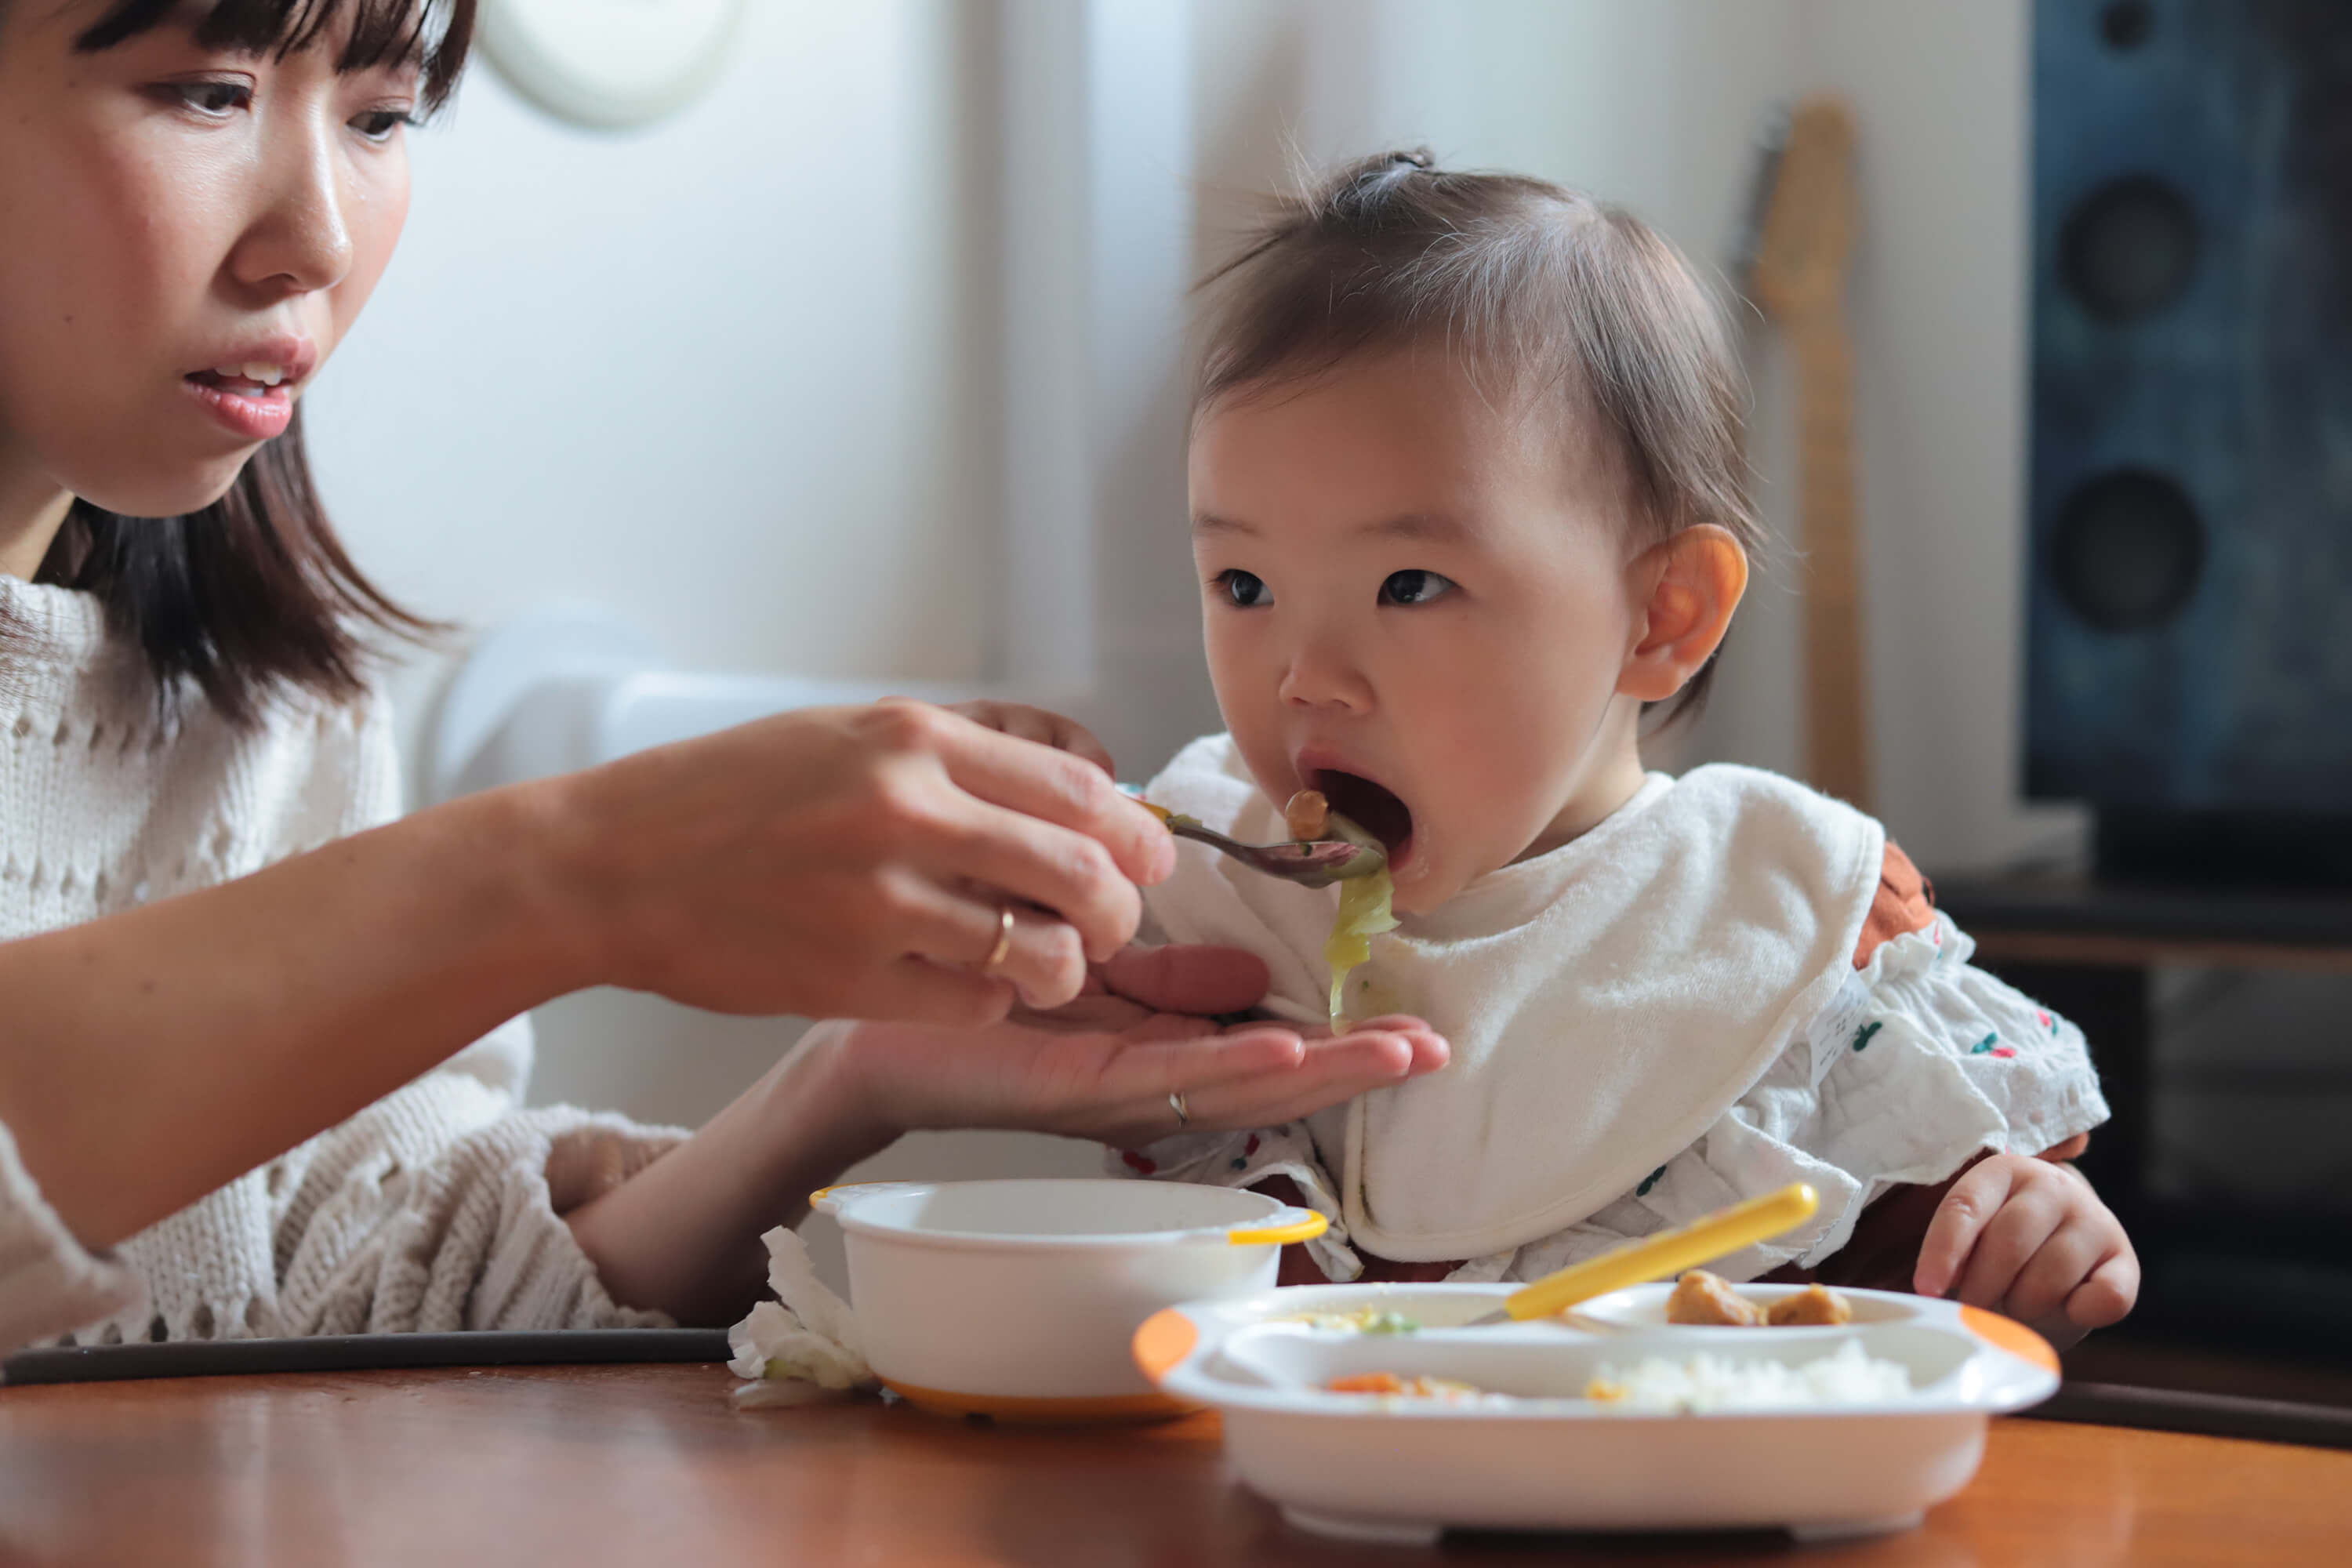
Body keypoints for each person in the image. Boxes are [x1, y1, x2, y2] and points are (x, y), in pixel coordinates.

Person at [0, 2, 1448, 1353]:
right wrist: (574, 875)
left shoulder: (270, 717)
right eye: (207, 92)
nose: (313, 238)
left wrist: (848, 1083)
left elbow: (365, 1301)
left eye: (382, 116)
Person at [1054, 151, 2133, 1346]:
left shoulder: (1772, 919)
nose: (1305, 678)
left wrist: (2024, 1234)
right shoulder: (1199, 898)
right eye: (1244, 582)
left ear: (1661, 616)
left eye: (1410, 584)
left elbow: (1903, 1253)